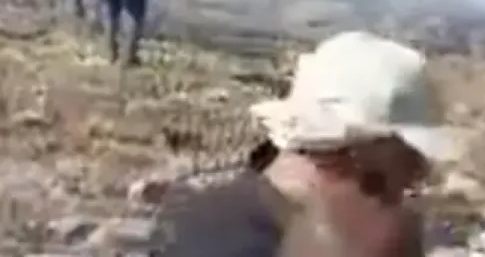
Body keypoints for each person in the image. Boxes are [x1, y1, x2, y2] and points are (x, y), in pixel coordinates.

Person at [154, 31, 455, 257]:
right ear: (359, 147)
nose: (420, 168)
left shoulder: (207, 207)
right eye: (408, 149)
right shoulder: (239, 240)